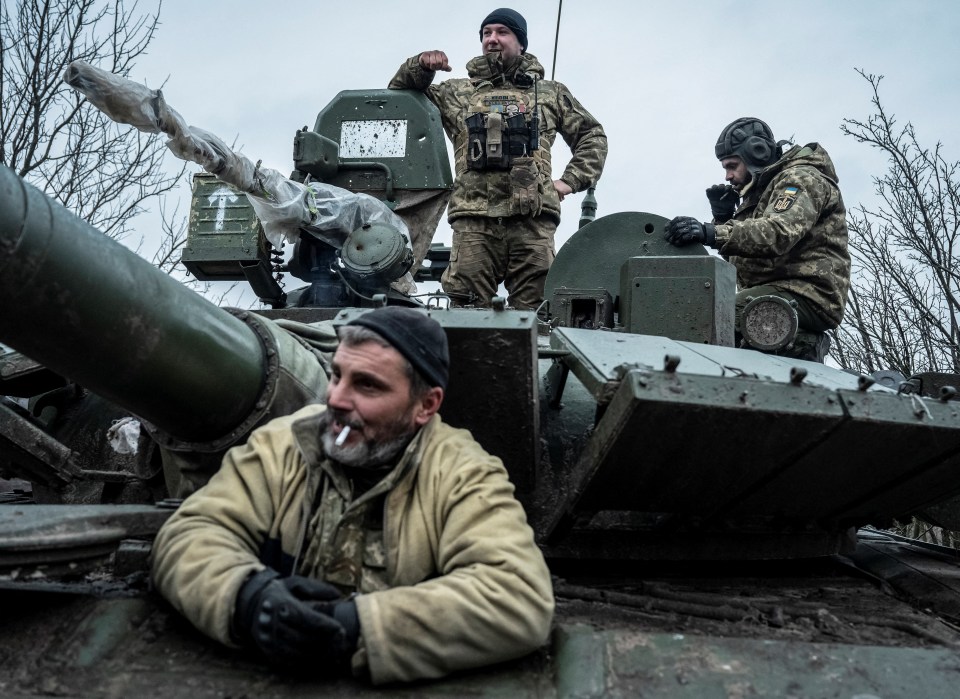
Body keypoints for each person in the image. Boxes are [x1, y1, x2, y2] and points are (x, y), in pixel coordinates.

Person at [150, 306, 554, 684]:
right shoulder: (283, 443)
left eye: (367, 385)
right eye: (336, 374)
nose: (336, 400)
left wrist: (357, 627)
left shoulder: (463, 472)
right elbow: (189, 533)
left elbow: (517, 596)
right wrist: (248, 599)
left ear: (425, 405)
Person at [388, 8, 607, 310]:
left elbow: (591, 135)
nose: (492, 39)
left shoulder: (550, 93)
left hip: (532, 225)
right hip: (474, 224)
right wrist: (421, 66)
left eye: (502, 32)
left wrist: (569, 182)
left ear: (521, 43)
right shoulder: (457, 92)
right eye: (486, 33)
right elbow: (399, 96)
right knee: (465, 314)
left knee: (539, 315)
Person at [662, 117, 850, 361]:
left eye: (731, 165)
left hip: (807, 294)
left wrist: (711, 232)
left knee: (714, 314)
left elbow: (777, 233)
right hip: (776, 290)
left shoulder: (801, 179)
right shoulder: (760, 190)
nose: (728, 176)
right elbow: (743, 258)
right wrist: (723, 218)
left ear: (757, 154)